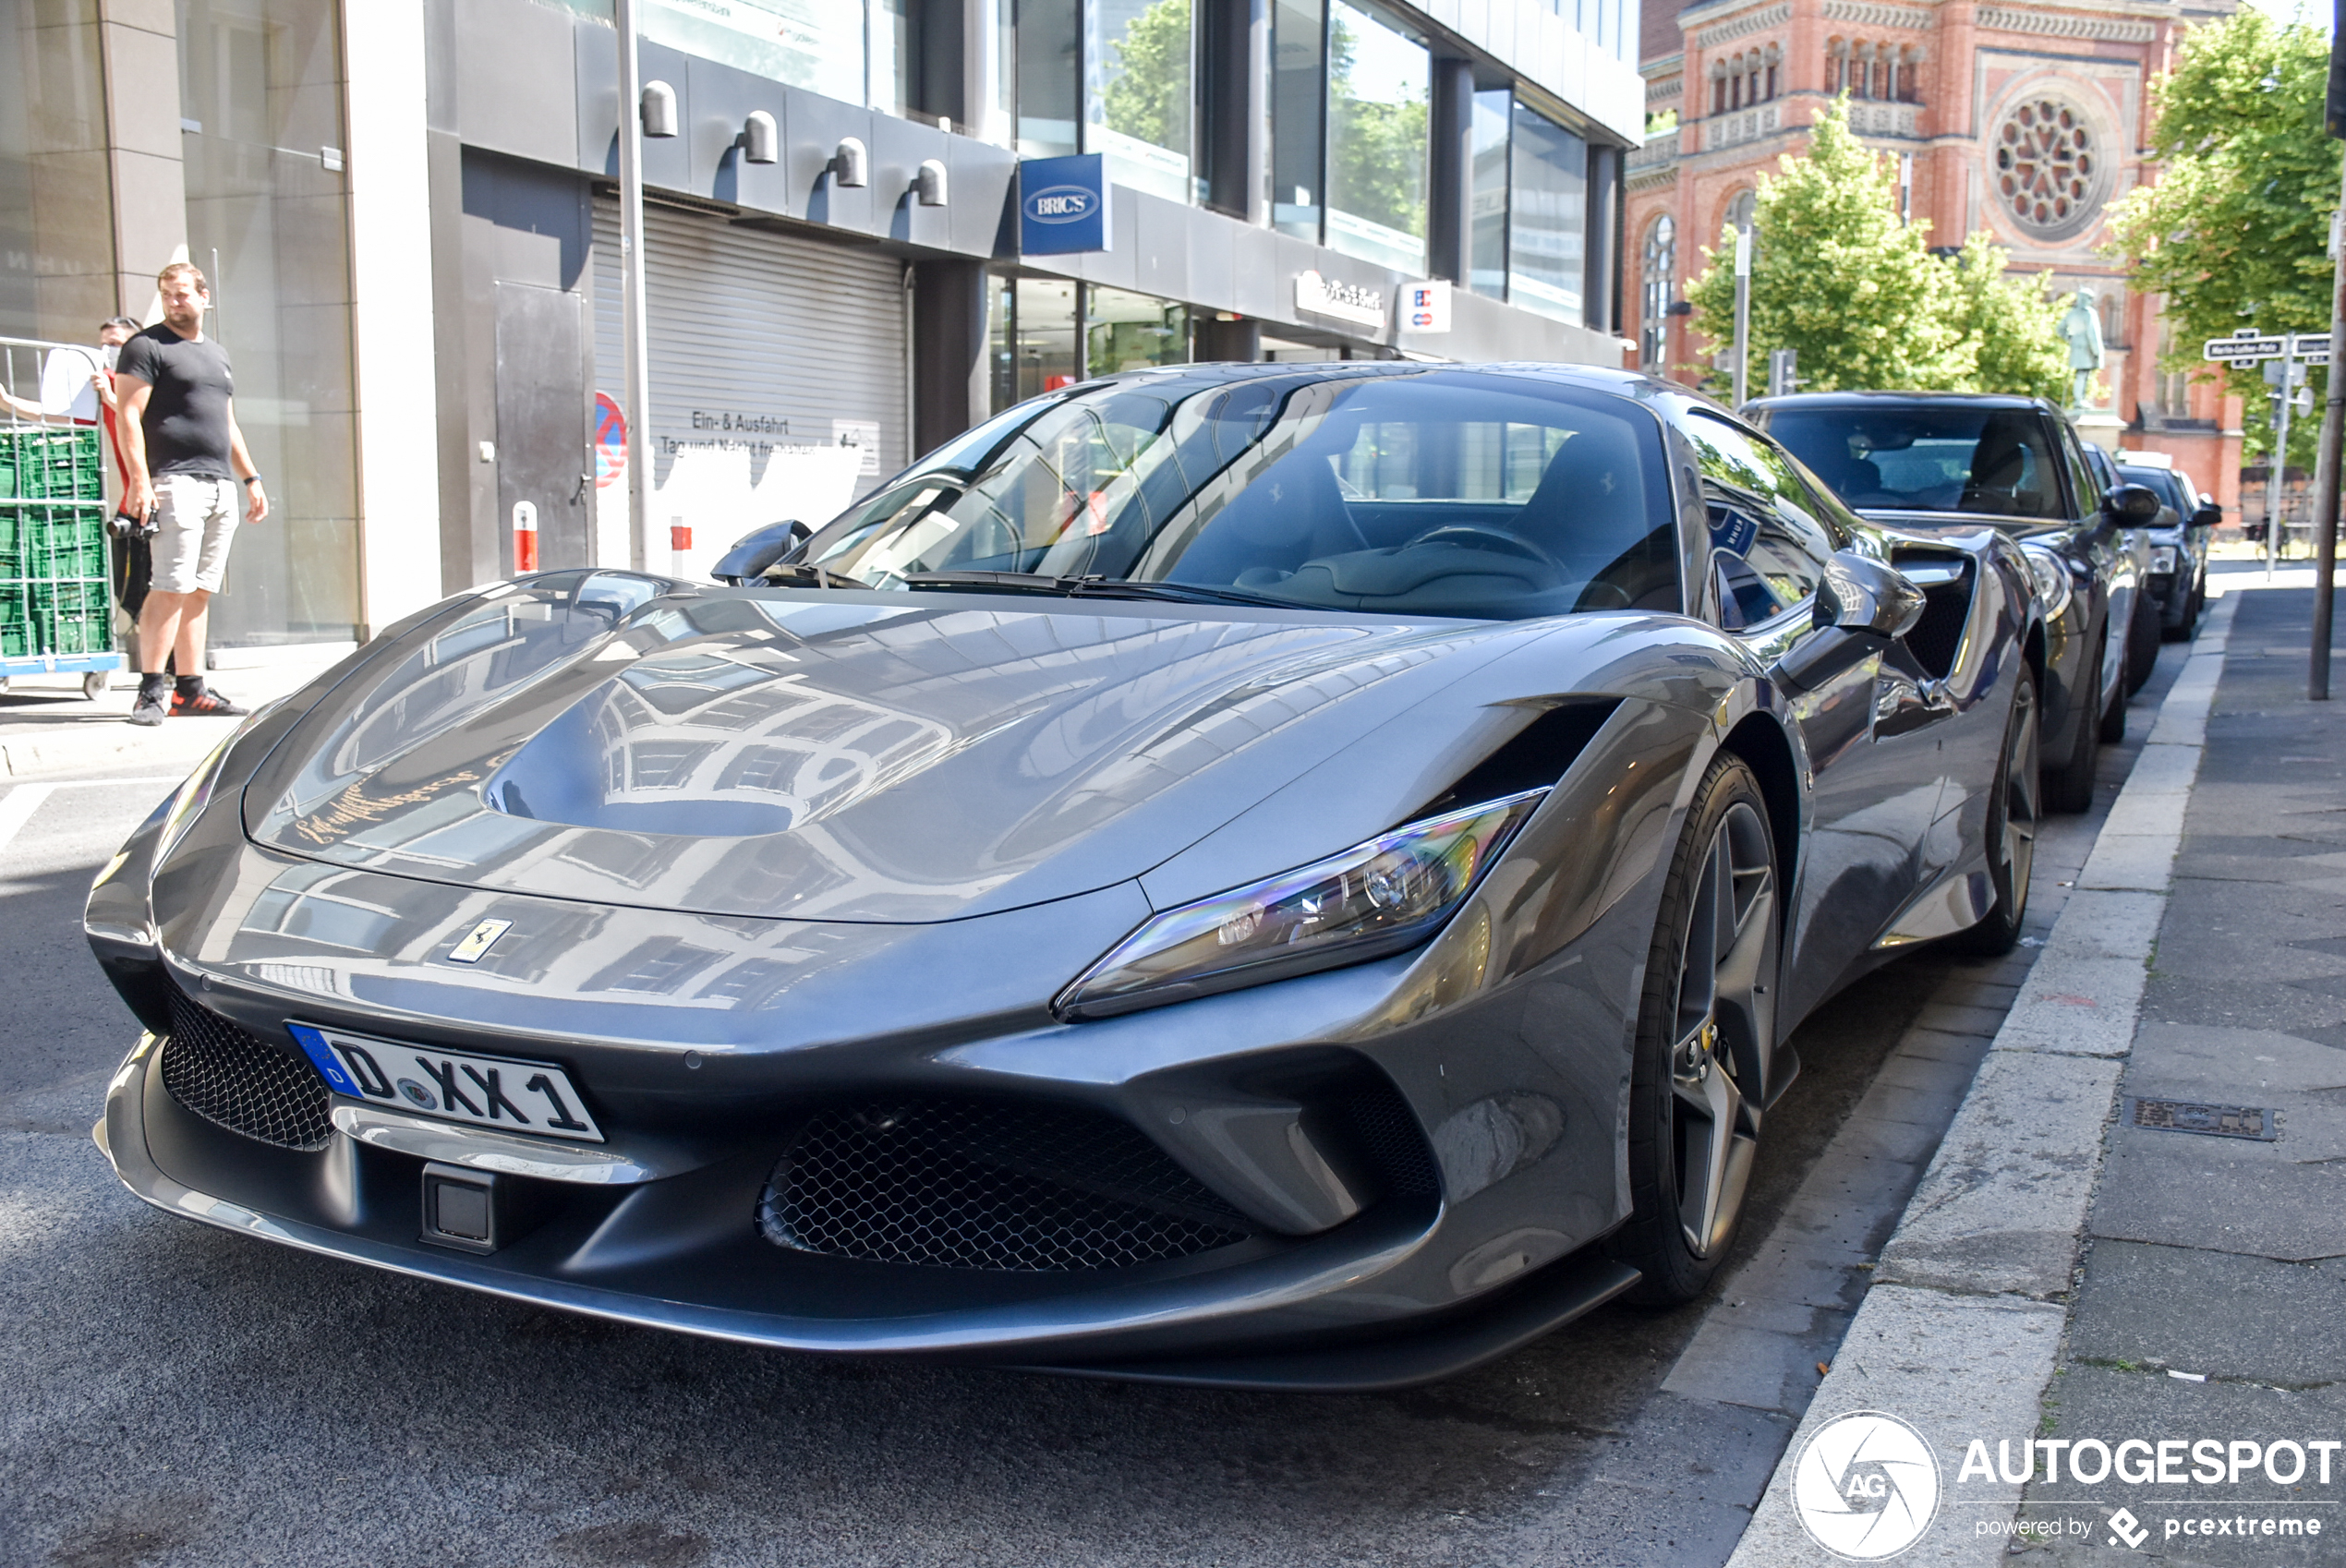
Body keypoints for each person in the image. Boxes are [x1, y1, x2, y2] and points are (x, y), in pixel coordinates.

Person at [114, 262, 267, 726]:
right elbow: (127, 416)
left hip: (220, 484)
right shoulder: (145, 346)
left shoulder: (217, 355)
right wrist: (140, 480)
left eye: (182, 294)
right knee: (170, 586)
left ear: (204, 297)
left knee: (200, 590)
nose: (174, 302)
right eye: (167, 295)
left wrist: (251, 479)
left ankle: (191, 689)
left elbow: (227, 423)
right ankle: (150, 691)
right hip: (174, 481)